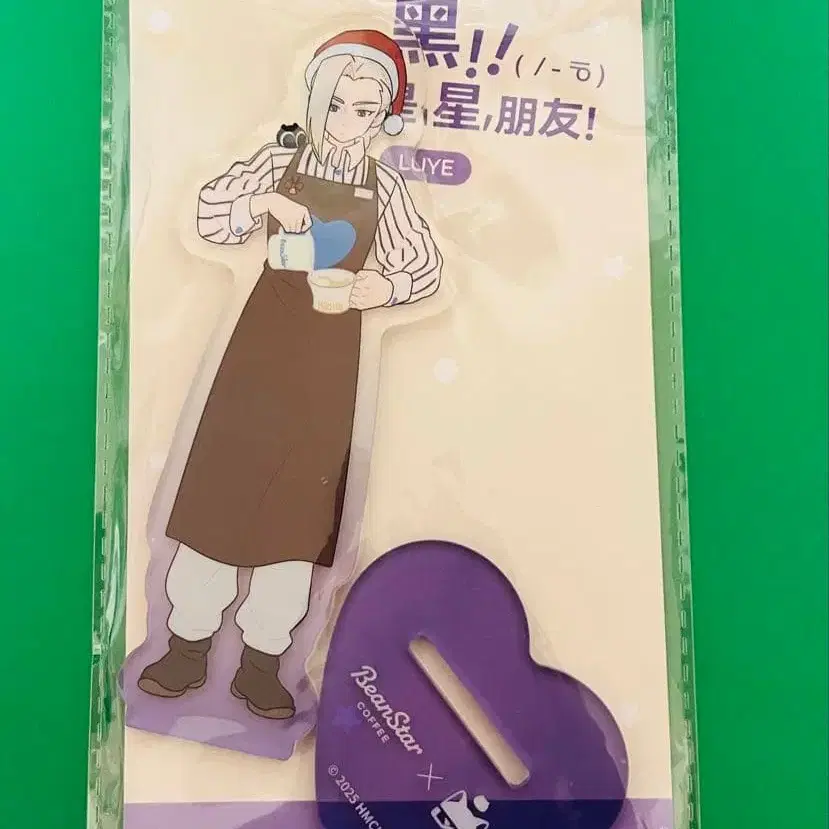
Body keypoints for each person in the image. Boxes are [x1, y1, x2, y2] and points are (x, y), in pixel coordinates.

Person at [138, 29, 443, 719]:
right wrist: (263, 205)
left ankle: (264, 662)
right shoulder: (278, 162)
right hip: (257, 355)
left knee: (298, 513)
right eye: (336, 105)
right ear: (314, 100)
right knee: (222, 492)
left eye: (365, 110)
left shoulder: (386, 187)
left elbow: (424, 265)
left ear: (385, 115)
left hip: (328, 365)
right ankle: (186, 645)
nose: (348, 122)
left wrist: (383, 287)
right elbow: (209, 217)